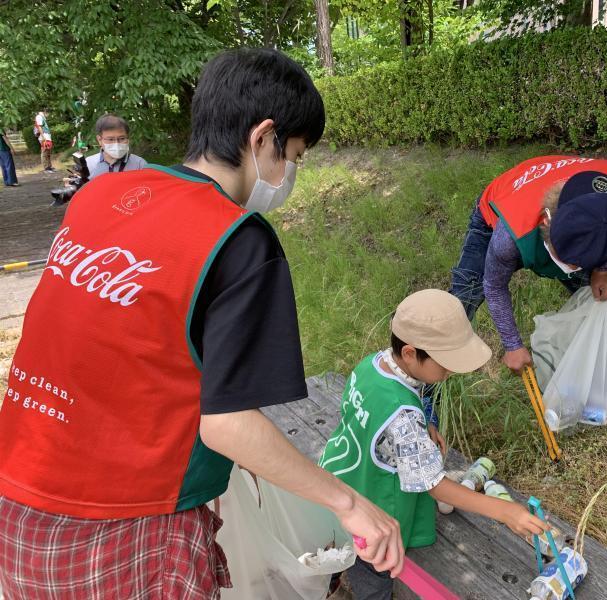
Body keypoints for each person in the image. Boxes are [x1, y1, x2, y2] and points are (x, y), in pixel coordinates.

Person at [0, 48, 402, 600]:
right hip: (127, 529)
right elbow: (227, 423)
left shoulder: (98, 196)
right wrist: (351, 505)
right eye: (295, 156)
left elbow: (125, 346)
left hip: (16, 501)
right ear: (262, 137)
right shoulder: (239, 241)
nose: (290, 175)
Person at [320, 289, 549, 600]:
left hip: (341, 477)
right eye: (445, 364)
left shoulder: (373, 364)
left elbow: (380, 410)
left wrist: (423, 425)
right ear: (412, 353)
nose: (451, 371)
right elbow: (434, 485)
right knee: (375, 574)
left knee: (339, 543)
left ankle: (333, 573)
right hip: (372, 513)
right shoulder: (402, 420)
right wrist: (505, 511)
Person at [449, 155, 607, 374]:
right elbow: (494, 286)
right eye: (567, 261)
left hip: (555, 199)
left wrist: (601, 270)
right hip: (503, 204)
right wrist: (512, 344)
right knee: (465, 293)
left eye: (580, 263)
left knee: (598, 298)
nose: (572, 269)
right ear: (546, 222)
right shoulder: (509, 238)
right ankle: (425, 379)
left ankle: (599, 361)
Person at [86, 113, 147, 179]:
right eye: (110, 139)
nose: (117, 144)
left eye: (122, 138)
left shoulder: (139, 165)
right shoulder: (89, 164)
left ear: (128, 138)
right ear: (99, 140)